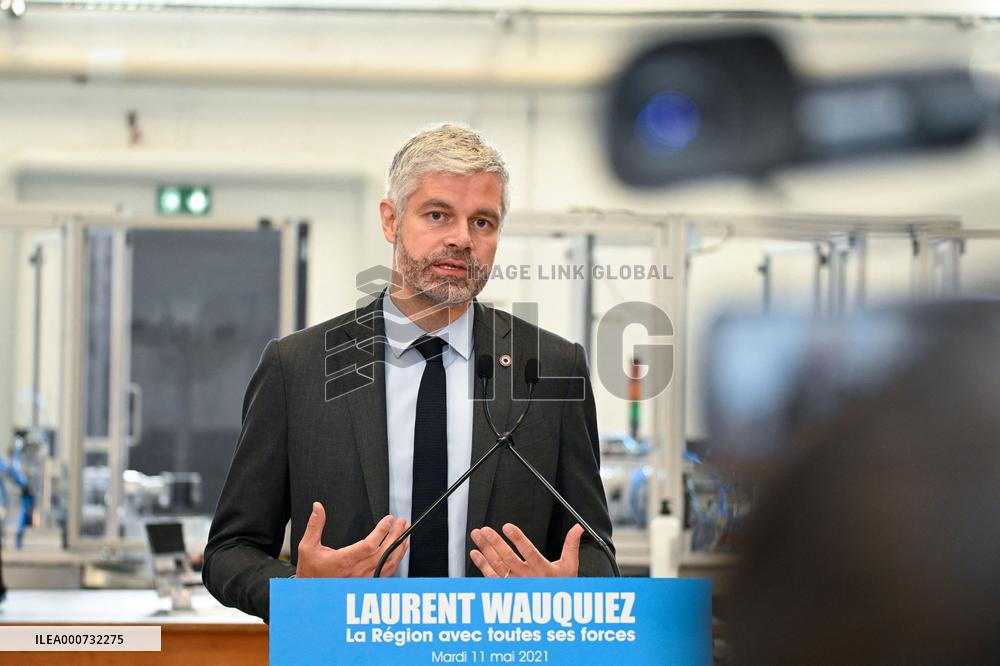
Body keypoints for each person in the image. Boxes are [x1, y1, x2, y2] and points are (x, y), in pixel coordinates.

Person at [203, 124, 615, 622]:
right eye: (438, 214)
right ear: (390, 219)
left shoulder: (550, 368)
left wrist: (568, 593)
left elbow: (595, 552)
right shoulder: (298, 369)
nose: (462, 239)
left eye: (483, 222)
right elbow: (231, 550)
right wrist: (297, 591)